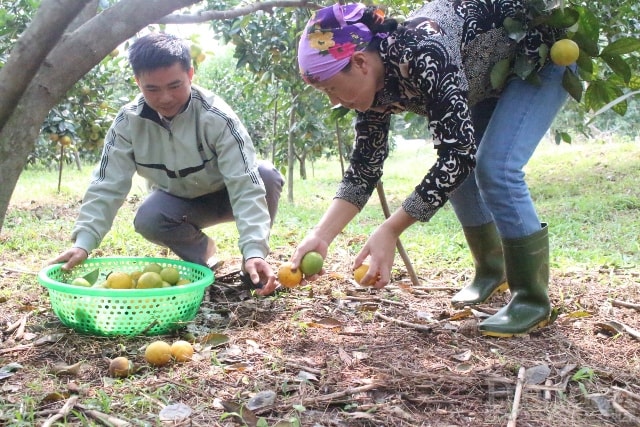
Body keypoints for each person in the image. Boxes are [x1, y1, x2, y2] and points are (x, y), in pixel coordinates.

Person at [292, 2, 572, 336]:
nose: (334, 102)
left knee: (496, 168)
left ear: (360, 62)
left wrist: (391, 229)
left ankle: (531, 299)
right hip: (486, 77)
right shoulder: (377, 86)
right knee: (463, 180)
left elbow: (457, 156)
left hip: (538, 58)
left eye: (331, 89)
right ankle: (492, 270)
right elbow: (364, 168)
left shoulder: (424, 50)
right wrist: (320, 236)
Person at [49, 33, 284, 296]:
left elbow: (244, 185)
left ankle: (251, 264)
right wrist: (84, 243)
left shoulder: (216, 117)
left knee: (265, 176)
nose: (165, 98)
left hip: (226, 195)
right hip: (179, 204)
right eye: (152, 89)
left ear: (191, 74)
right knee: (148, 217)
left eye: (175, 85)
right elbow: (106, 183)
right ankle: (202, 257)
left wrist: (253, 247)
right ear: (138, 82)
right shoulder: (127, 123)